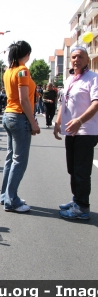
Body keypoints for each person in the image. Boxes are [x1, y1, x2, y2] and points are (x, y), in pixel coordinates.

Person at [53, 46, 98, 220]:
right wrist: (58, 123)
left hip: (86, 131)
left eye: (80, 57)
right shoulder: (70, 79)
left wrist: (80, 120)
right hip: (70, 132)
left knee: (81, 171)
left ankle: (83, 207)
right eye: (73, 57)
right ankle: (77, 200)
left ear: (87, 60)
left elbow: (96, 104)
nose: (76, 60)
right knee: (72, 169)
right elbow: (63, 103)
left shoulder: (93, 78)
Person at [0, 41, 40, 213]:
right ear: (27, 54)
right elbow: (24, 100)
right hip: (19, 117)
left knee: (11, 158)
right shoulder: (23, 70)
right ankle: (12, 201)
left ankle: (6, 196)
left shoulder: (8, 71)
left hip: (8, 115)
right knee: (19, 161)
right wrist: (33, 122)